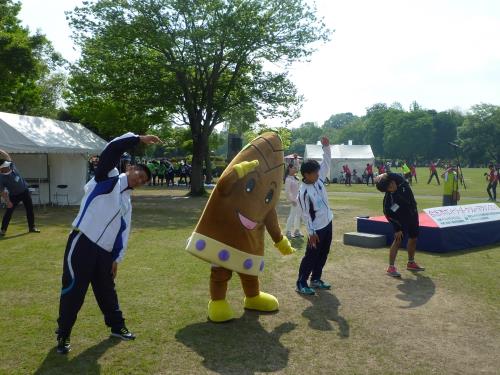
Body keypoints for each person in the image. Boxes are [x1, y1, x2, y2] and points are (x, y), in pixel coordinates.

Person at [55, 132, 161, 354]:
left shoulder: (127, 203)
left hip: (104, 253)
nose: (139, 180)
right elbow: (112, 148)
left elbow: (123, 233)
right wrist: (137, 139)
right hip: (83, 241)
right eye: (139, 174)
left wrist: (116, 259)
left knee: (107, 291)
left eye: (143, 181)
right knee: (74, 289)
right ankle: (63, 335)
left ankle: (117, 327)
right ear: (130, 168)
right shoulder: (106, 177)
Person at [296, 137, 334, 295]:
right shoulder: (303, 192)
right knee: (311, 256)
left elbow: (327, 162)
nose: (319, 174)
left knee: (323, 253)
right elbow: (305, 214)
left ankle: (316, 279)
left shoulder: (318, 181)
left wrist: (326, 147)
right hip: (316, 229)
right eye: (315, 172)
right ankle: (301, 283)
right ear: (306, 174)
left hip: (328, 223)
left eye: (318, 172)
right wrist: (311, 233)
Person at [375, 173, 425, 277]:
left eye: (392, 183)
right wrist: (397, 228)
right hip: (401, 221)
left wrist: (382, 175)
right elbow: (388, 215)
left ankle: (411, 263)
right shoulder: (389, 201)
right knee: (398, 240)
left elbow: (389, 175)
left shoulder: (401, 181)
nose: (393, 185)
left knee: (414, 238)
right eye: (389, 187)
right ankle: (391, 267)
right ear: (386, 190)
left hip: (413, 214)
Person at [0, 150, 40, 237]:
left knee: (30, 209)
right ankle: (3, 230)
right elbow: (2, 191)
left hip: (25, 191)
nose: (8, 167)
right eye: (5, 167)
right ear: (1, 169)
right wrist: (8, 202)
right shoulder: (1, 178)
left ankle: (32, 228)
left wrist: (0, 150)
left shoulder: (12, 166)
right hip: (14, 195)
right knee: (9, 212)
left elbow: (7, 156)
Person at [284, 164, 302, 238]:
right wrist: (292, 200)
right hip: (294, 201)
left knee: (298, 216)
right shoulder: (288, 179)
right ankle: (288, 231)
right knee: (292, 215)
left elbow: (299, 189)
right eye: (294, 168)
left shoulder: (296, 178)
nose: (295, 169)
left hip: (299, 200)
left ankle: (297, 231)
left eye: (296, 168)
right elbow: (287, 192)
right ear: (289, 168)